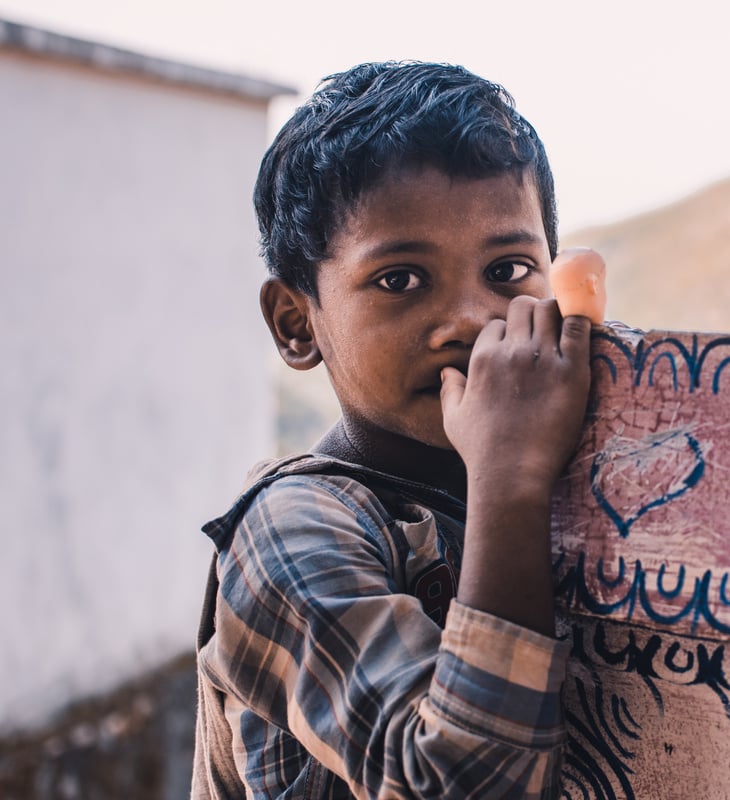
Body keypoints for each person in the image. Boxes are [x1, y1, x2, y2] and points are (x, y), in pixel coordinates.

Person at [191, 60, 593, 799]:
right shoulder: (291, 532)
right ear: (296, 323)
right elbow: (462, 786)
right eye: (400, 279)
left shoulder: (575, 471)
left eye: (508, 270)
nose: (474, 320)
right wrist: (511, 478)